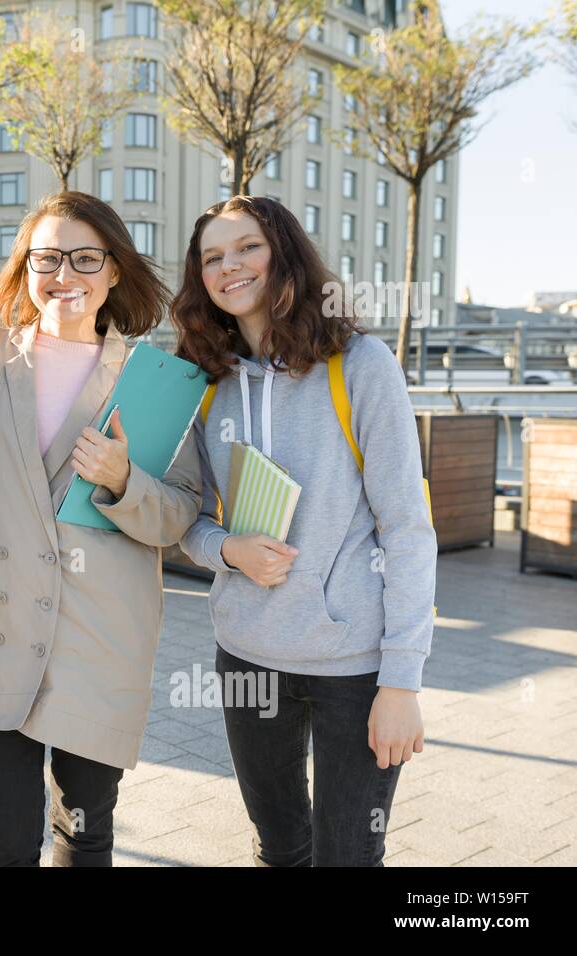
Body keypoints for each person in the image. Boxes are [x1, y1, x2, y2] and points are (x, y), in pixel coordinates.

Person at [0, 190, 202, 866]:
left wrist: (124, 481)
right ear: (24, 268)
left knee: (85, 835)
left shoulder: (156, 381)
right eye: (47, 257)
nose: (65, 275)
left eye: (86, 258)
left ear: (115, 271)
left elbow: (179, 513)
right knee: (4, 839)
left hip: (99, 641)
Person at [175, 195, 437, 866]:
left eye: (246, 248)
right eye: (212, 257)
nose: (229, 266)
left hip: (353, 667)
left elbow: (407, 527)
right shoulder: (207, 385)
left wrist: (402, 683)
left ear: (284, 253)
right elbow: (189, 524)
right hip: (247, 655)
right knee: (279, 850)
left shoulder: (362, 366)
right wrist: (228, 550)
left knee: (348, 856)